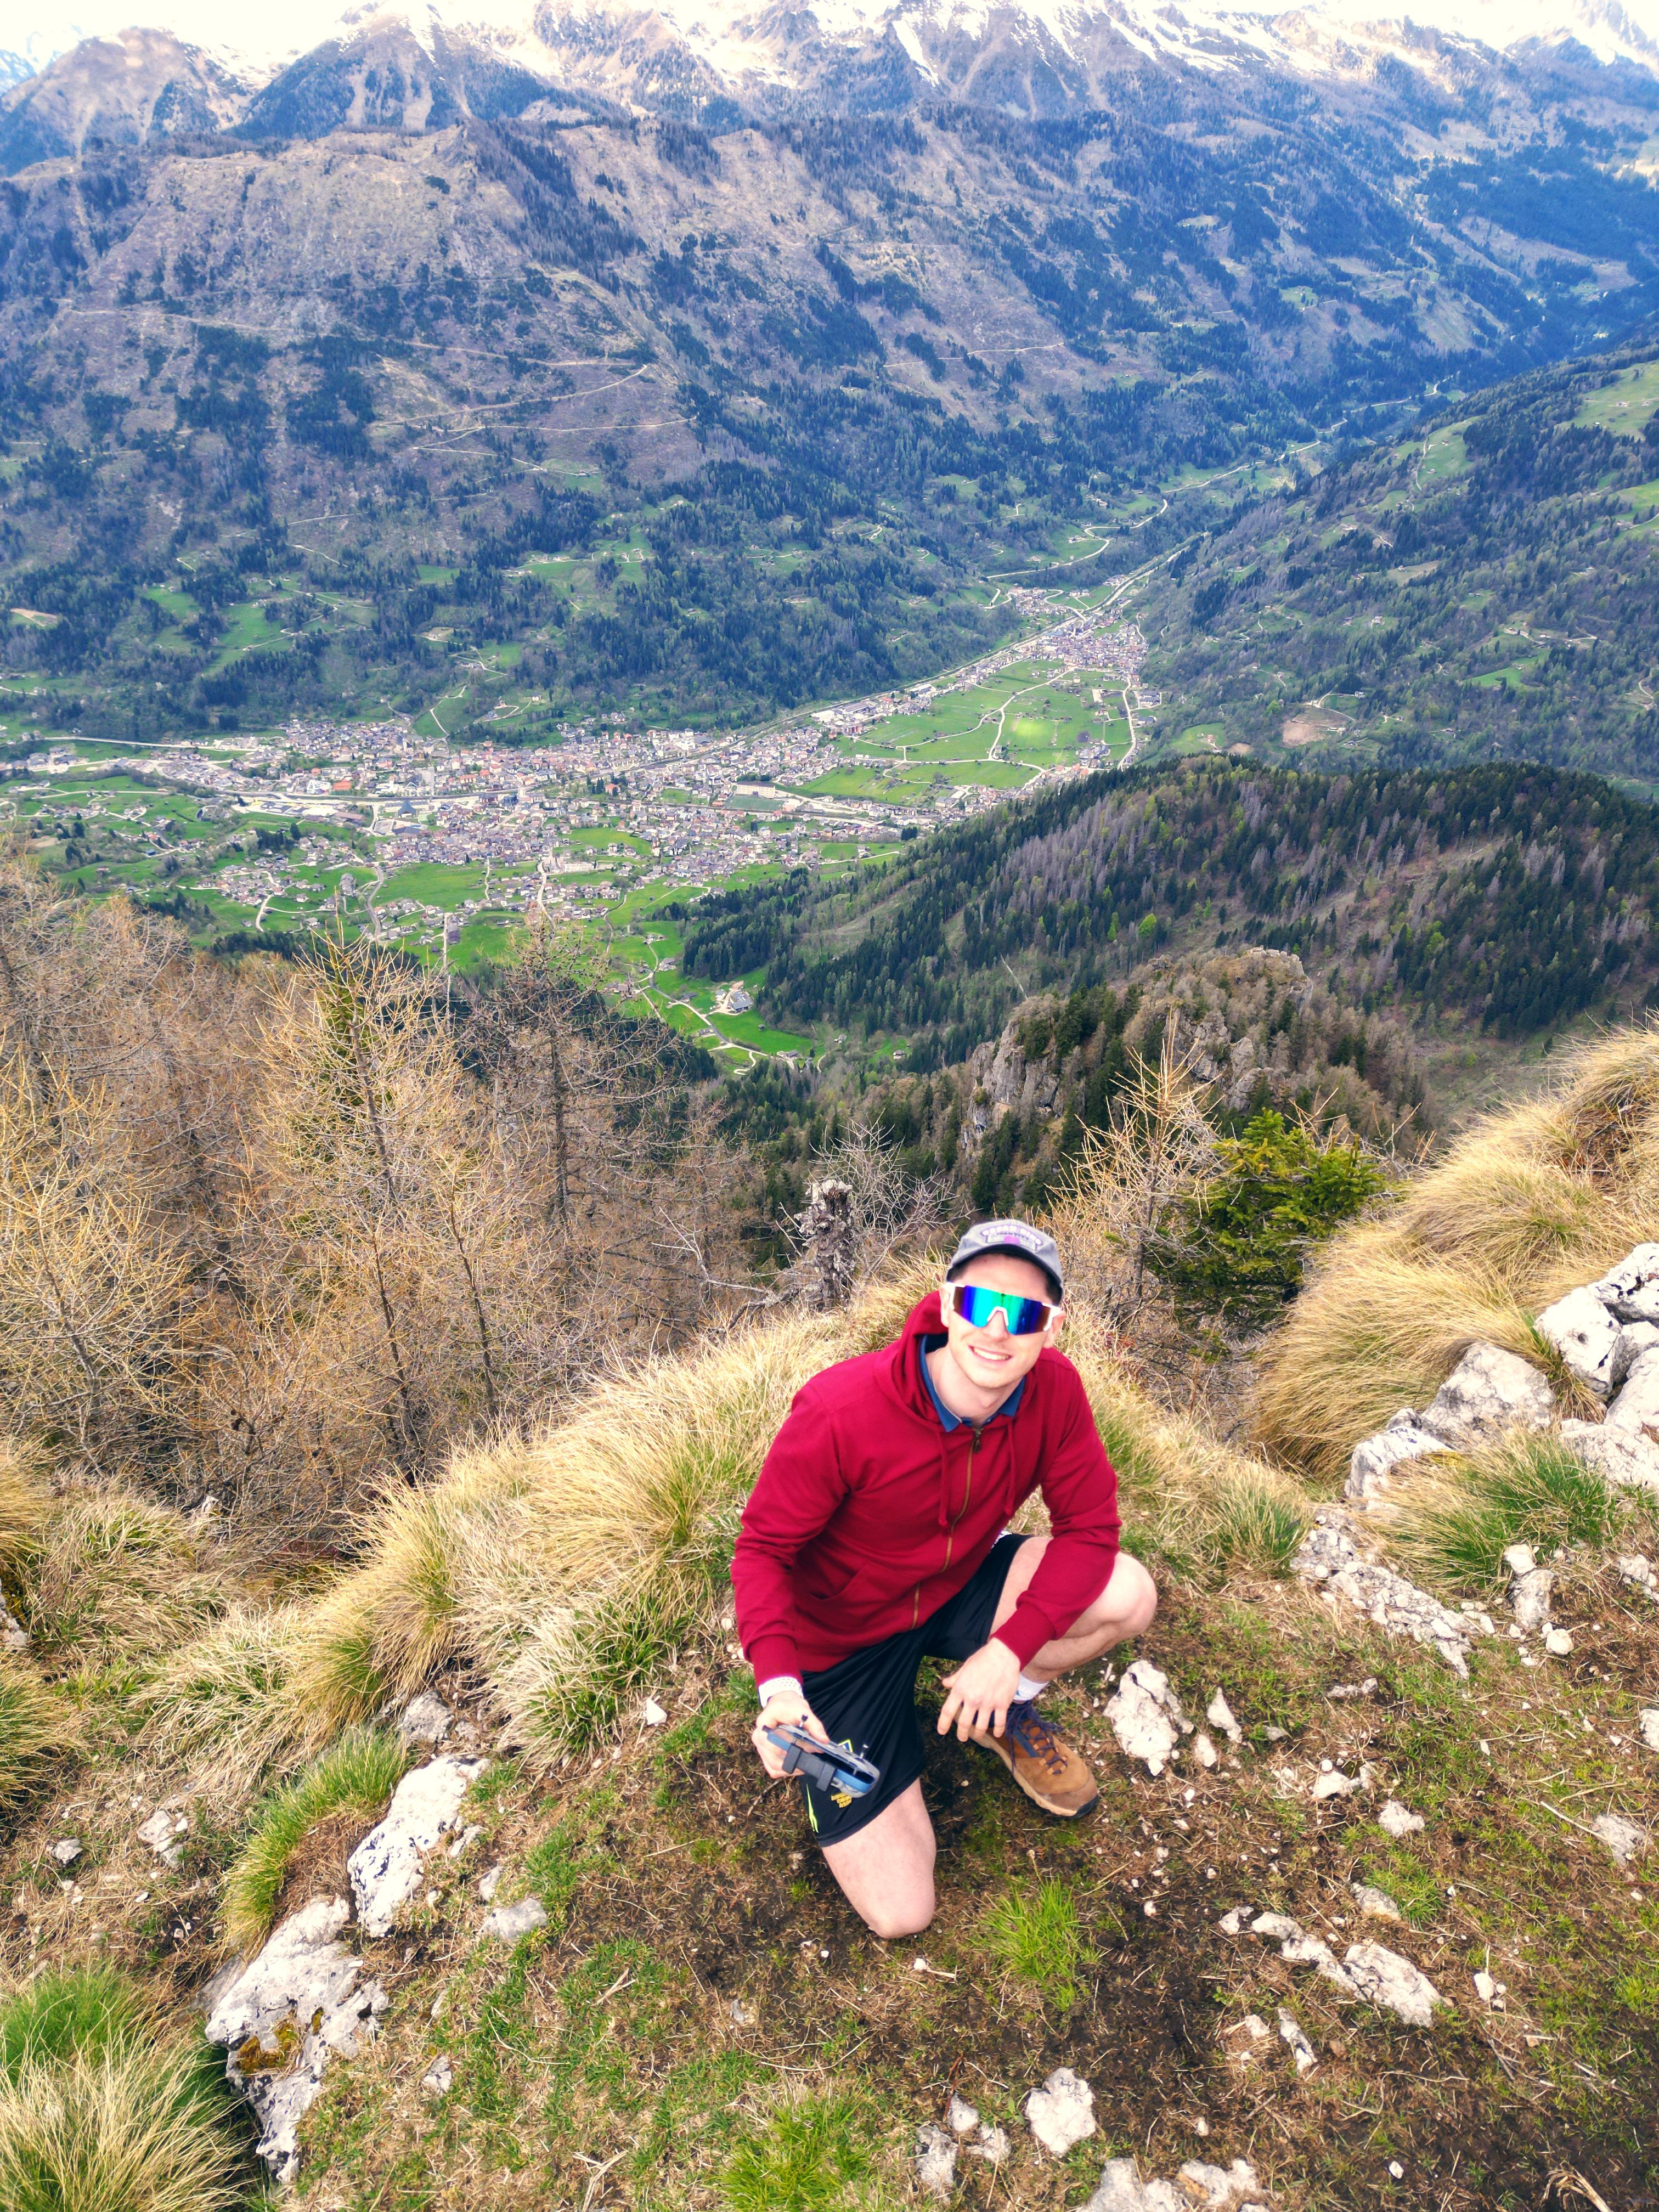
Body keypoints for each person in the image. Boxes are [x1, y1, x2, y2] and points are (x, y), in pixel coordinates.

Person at [731, 1218, 1157, 1938]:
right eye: (978, 1304)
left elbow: (1091, 1531)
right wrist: (780, 1685)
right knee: (903, 1911)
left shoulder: (1053, 1391)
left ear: (1050, 1327)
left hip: (955, 1587)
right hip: (840, 1648)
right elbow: (762, 1551)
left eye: (1021, 1313)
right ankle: (827, 1752)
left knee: (1127, 1593)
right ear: (945, 1303)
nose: (996, 1329)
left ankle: (1004, 1709)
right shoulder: (843, 1408)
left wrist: (1009, 1649)